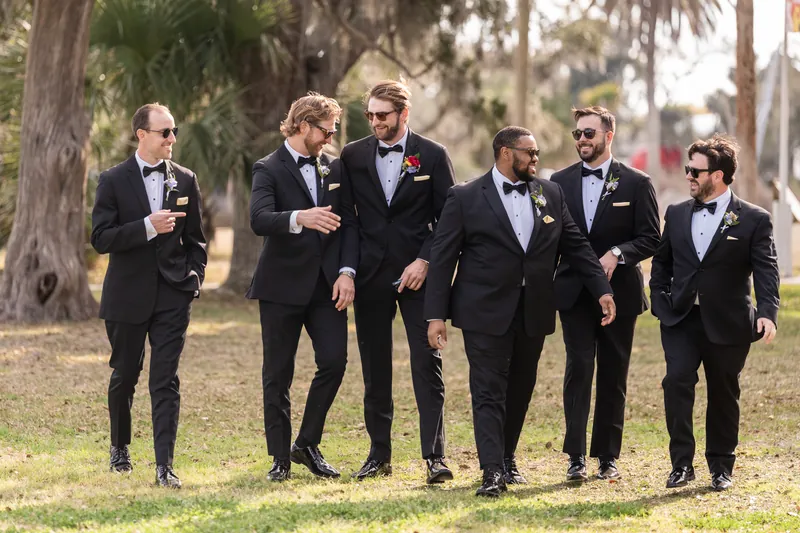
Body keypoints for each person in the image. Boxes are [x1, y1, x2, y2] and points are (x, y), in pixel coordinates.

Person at [425, 126, 616, 497]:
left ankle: (507, 456)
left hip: (534, 310)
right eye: (529, 152)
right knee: (488, 391)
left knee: (520, 389)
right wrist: (435, 315)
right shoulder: (464, 196)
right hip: (482, 311)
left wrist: (602, 290)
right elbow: (443, 256)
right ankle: (492, 471)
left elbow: (576, 245)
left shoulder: (550, 193)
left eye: (537, 152)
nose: (536, 159)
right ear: (505, 153)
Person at [339, 79, 456, 484]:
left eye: (382, 115)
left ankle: (435, 458)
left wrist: (424, 260)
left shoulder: (434, 156)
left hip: (419, 278)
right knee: (375, 368)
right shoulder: (352, 155)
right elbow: (349, 219)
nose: (375, 122)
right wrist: (348, 271)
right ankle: (379, 455)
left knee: (428, 363)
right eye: (370, 115)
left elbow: (448, 221)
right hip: (370, 276)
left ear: (403, 114)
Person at [650, 134, 779, 491]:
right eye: (688, 169)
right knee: (676, 382)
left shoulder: (754, 219)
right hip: (680, 319)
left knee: (723, 392)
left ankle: (721, 467)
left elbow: (766, 269)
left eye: (695, 170)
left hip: (730, 322)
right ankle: (681, 465)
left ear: (718, 175)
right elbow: (661, 263)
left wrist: (767, 312)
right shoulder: (675, 214)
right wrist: (660, 300)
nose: (688, 175)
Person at [91, 103, 207, 488]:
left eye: (173, 131)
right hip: (126, 295)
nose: (172, 138)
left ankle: (164, 466)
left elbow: (197, 241)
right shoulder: (112, 180)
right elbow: (101, 238)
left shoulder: (187, 179)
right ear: (142, 135)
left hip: (174, 294)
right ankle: (120, 448)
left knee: (165, 379)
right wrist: (145, 227)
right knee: (126, 374)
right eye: (165, 132)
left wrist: (194, 278)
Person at [246, 93, 358, 482]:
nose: (330, 138)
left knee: (334, 362)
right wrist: (300, 217)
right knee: (277, 374)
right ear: (303, 126)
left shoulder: (336, 168)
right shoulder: (268, 168)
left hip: (328, 287)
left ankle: (306, 442)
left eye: (333, 131)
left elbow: (350, 225)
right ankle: (279, 458)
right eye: (325, 131)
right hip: (281, 287)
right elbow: (259, 219)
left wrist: (347, 272)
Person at [550, 106, 660, 481]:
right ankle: (576, 456)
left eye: (589, 134)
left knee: (614, 374)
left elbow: (651, 238)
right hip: (574, 293)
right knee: (578, 368)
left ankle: (607, 456)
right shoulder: (558, 182)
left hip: (622, 293)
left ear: (608, 136)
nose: (582, 139)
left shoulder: (637, 183)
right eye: (578, 133)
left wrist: (617, 253)